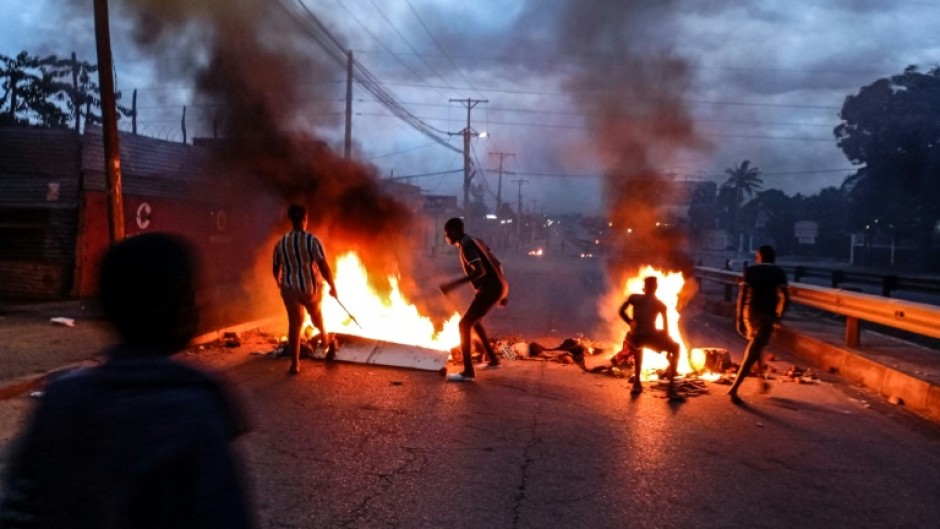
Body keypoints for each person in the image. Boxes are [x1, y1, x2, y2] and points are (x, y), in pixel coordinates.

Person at [0, 232, 255, 529]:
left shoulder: (61, 397)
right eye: (193, 295)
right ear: (180, 310)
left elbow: (18, 511)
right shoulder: (195, 411)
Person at [439, 217, 509, 382]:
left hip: (490, 289)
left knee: (463, 325)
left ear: (455, 231)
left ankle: (468, 372)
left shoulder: (467, 245)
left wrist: (453, 284)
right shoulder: (475, 240)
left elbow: (480, 271)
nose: (446, 236)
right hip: (497, 287)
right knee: (474, 322)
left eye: (447, 233)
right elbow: (498, 264)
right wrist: (502, 290)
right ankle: (494, 360)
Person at [273, 204, 338, 374]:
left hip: (289, 288)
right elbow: (323, 265)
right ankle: (326, 341)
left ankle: (295, 364)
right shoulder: (312, 240)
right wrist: (332, 286)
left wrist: (279, 283)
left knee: (295, 324)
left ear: (291, 220)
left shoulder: (281, 242)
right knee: (316, 317)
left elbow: (275, 268)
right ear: (304, 219)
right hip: (310, 288)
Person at [728, 244, 789, 405]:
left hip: (750, 314)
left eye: (757, 255)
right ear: (773, 257)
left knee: (756, 346)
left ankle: (761, 382)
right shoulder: (779, 272)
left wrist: (739, 318)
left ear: (760, 256)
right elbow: (785, 297)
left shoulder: (751, 270)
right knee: (754, 349)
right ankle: (734, 388)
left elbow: (742, 296)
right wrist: (779, 315)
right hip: (766, 316)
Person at [611, 276, 683, 401]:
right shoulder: (660, 305)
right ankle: (671, 389)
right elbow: (665, 330)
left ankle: (637, 383)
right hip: (650, 337)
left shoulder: (634, 298)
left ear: (644, 287)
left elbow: (621, 311)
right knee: (676, 348)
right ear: (656, 288)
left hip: (636, 337)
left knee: (638, 345)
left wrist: (630, 322)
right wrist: (667, 348)